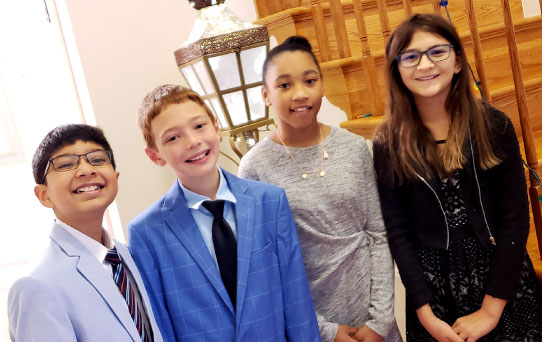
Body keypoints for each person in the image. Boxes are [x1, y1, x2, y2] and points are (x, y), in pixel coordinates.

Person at [372, 13, 542, 342]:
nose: (424, 65)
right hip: (432, 291)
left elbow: (515, 220)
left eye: (437, 51)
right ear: (397, 69)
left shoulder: (494, 125)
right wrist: (424, 313)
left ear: (459, 61)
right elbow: (397, 232)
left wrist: (491, 310)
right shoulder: (388, 145)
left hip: (500, 281)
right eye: (410, 56)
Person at [238, 36, 401, 342]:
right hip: (311, 328)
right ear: (266, 95)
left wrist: (380, 319)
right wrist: (321, 330)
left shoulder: (353, 148)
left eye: (309, 81)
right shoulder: (254, 168)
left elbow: (378, 234)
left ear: (322, 86)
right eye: (284, 85)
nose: (300, 94)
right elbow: (266, 266)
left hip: (376, 326)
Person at [128, 84, 320, 342]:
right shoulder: (146, 233)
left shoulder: (269, 202)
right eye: (173, 138)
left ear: (216, 128)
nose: (193, 142)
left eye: (199, 126)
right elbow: (161, 324)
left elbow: (296, 299)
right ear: (155, 156)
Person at [8, 124, 163, 342]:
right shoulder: (37, 287)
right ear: (44, 195)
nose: (86, 170)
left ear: (115, 178)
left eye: (98, 159)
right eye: (66, 164)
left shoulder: (129, 256)